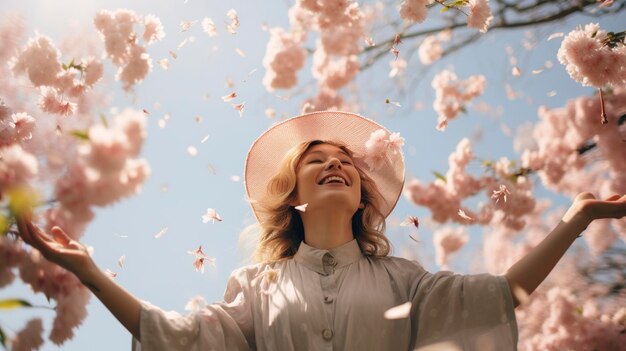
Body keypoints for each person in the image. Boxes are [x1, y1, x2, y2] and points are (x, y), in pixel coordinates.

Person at [16, 111, 626, 350]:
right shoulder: (255, 286)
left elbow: (496, 297)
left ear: (363, 193)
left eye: (346, 161)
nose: (335, 164)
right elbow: (177, 337)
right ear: (295, 193)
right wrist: (89, 273)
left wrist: (576, 220)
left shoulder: (405, 282)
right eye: (316, 160)